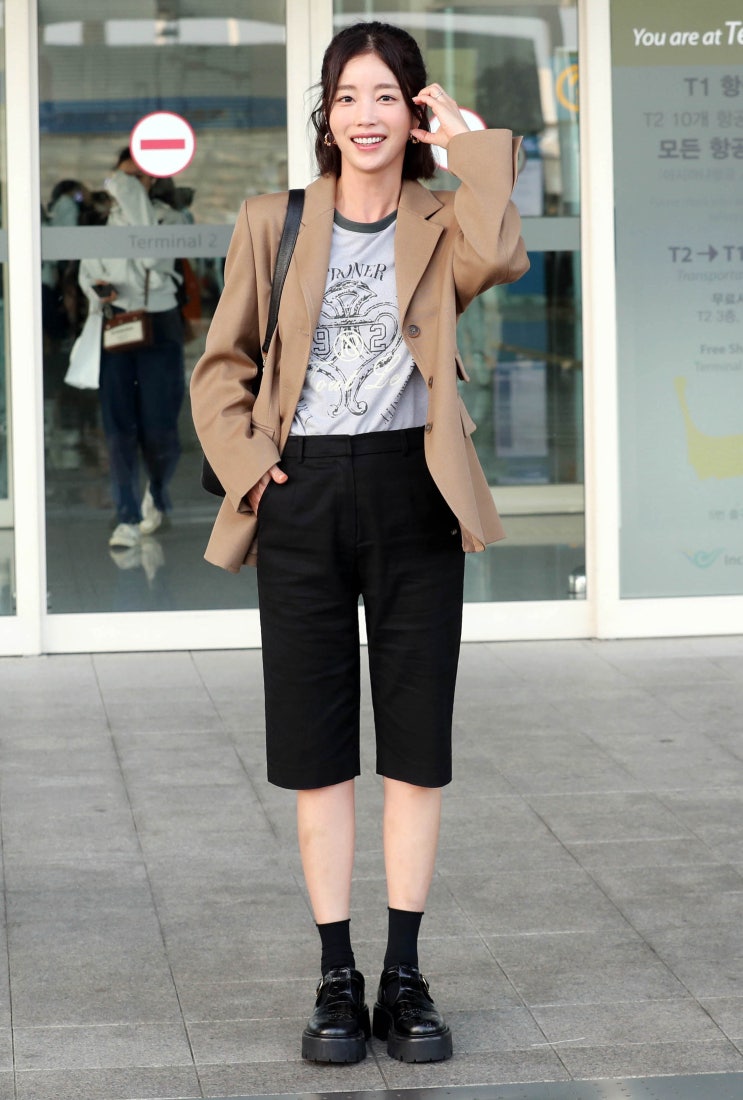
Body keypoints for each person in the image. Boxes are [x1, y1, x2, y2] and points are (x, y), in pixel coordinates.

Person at [190, 20, 528, 1066]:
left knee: (416, 748)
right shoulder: (273, 219)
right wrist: (254, 470)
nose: (365, 115)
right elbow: (221, 365)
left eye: (387, 96)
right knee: (317, 750)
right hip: (300, 494)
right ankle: (336, 974)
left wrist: (467, 145)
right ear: (325, 115)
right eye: (347, 96)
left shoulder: (442, 218)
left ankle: (404, 974)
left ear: (411, 113)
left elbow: (501, 253)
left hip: (412, 491)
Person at [78, 148, 185, 550]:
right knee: (119, 426)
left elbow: (153, 255)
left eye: (134, 177)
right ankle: (126, 514)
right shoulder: (101, 222)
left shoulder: (169, 219)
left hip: (159, 323)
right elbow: (88, 270)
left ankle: (155, 494)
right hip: (117, 322)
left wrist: (131, 192)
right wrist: (98, 289)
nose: (124, 186)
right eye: (119, 177)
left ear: (151, 179)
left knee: (160, 425)